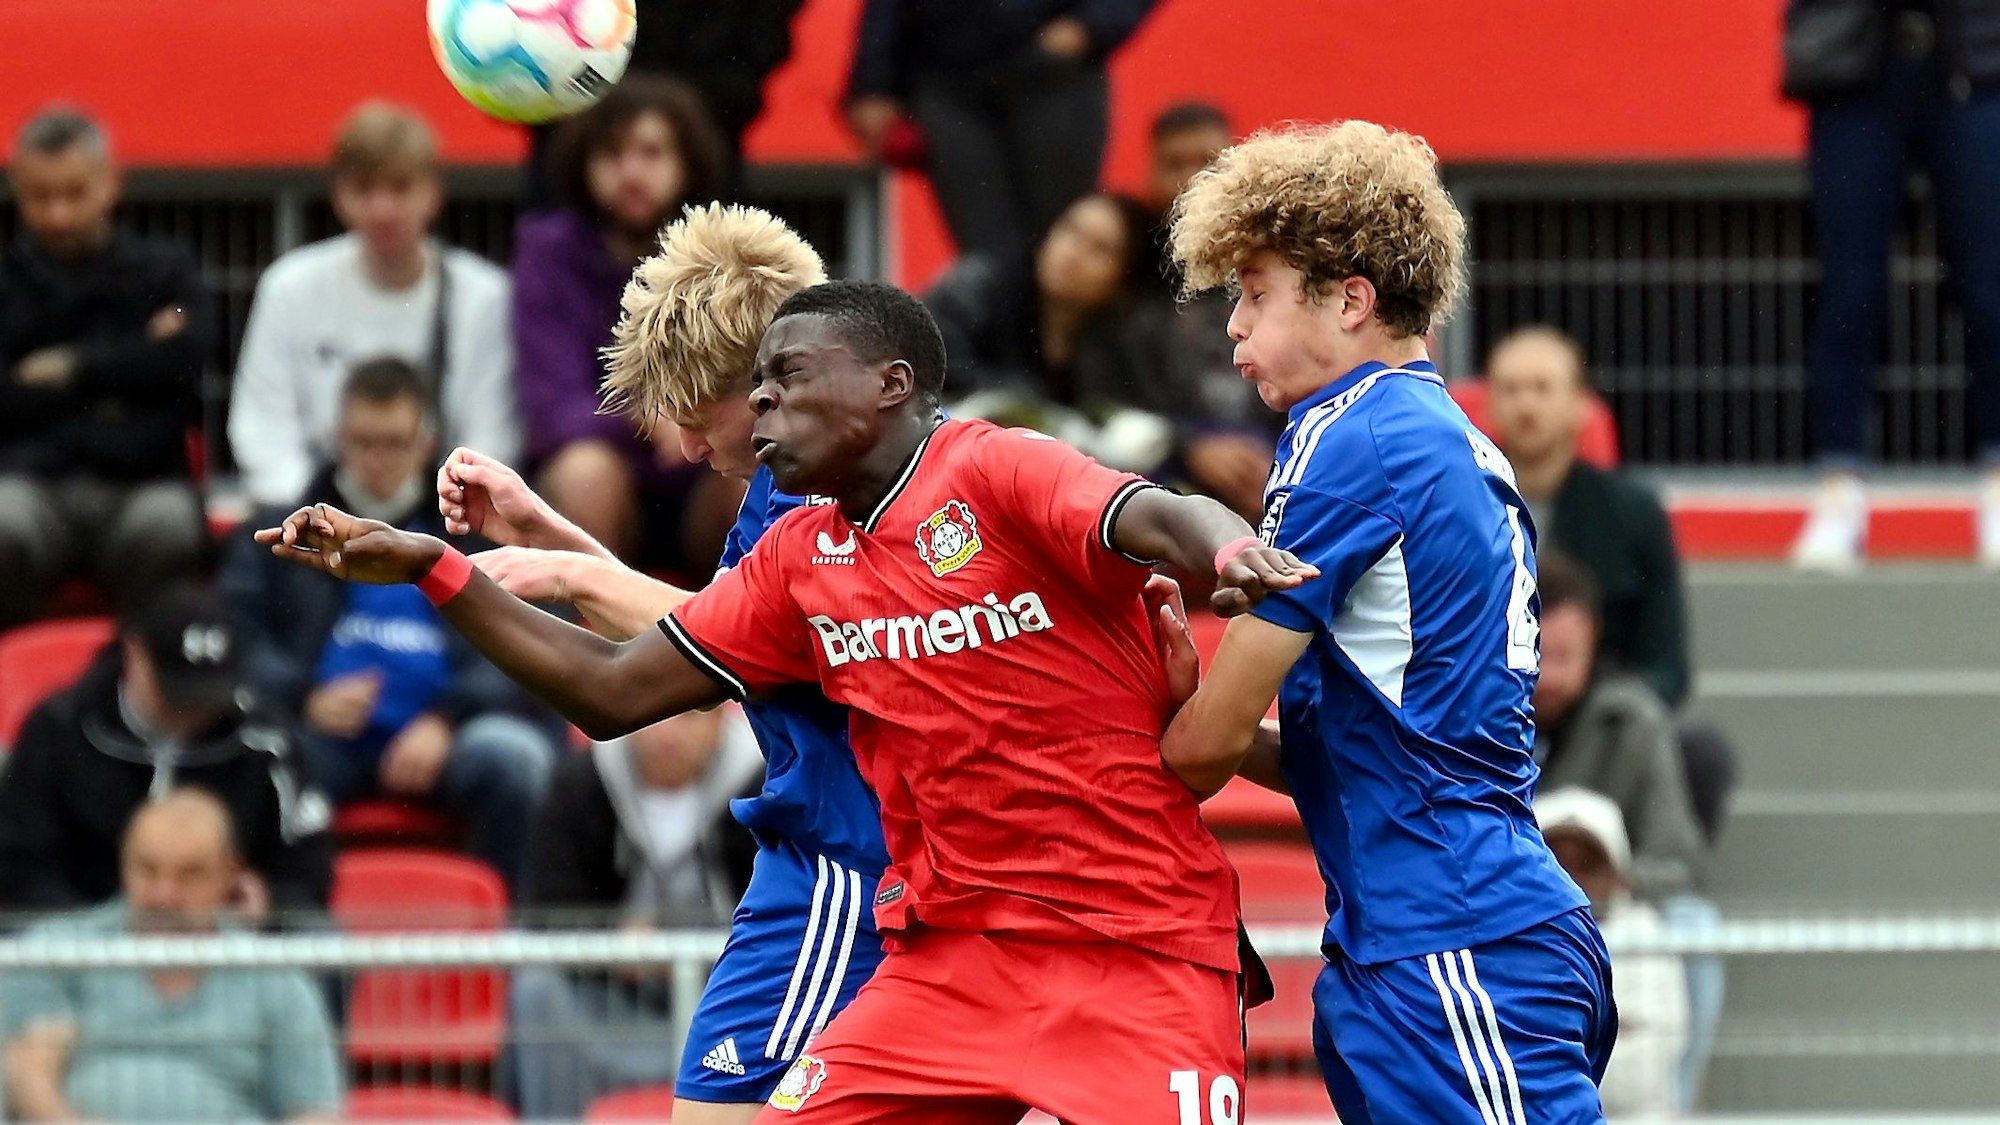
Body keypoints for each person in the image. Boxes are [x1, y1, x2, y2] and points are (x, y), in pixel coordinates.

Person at [261, 278, 1313, 1123]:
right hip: (945, 960)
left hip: (1132, 951)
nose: (759, 402)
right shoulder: (800, 558)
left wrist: (1228, 547)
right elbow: (610, 688)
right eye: (754, 385)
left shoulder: (994, 471)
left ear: (891, 383)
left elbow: (1159, 513)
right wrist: (434, 569)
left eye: (789, 377)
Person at [1157, 121, 1616, 1123]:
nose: (1232, 325)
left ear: (1349, 300)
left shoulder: (1344, 432)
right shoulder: (1442, 433)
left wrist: (1156, 701)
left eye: (1253, 293)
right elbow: (1362, 751)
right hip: (1451, 931)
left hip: (1447, 942)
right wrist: (1205, 720)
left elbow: (1197, 753)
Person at [440, 204, 891, 1125]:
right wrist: (554, 537)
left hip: (844, 866)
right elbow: (717, 626)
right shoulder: (791, 477)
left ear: (766, 379)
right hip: (822, 861)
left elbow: (738, 646)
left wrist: (563, 569)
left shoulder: (823, 487)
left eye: (695, 417)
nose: (686, 449)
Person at [222, 358, 558, 890]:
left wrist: (445, 720)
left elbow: (536, 643)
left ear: (427, 443)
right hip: (319, 736)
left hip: (454, 735)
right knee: (258, 764)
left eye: (395, 442)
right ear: (337, 438)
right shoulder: (276, 538)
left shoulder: (479, 532)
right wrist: (304, 696)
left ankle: (514, 948)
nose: (377, 459)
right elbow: (238, 641)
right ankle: (294, 945)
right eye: (363, 441)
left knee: (514, 760)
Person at [1485, 326, 1738, 846]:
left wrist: (1592, 700)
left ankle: (1659, 891)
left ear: (1581, 405)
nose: (1526, 405)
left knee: (1697, 750)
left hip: (1598, 722)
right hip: (1482, 715)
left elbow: (1666, 667)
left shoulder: (1634, 515)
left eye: (1541, 387)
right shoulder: (1455, 505)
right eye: (1510, 389)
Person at [1781, 0, 2000, 570]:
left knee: (1991, 285)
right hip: (1854, 57)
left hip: (1977, 54)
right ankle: (1839, 486)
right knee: (1848, 288)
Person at [229, 101, 519, 508]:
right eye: (364, 188)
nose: (383, 209)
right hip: (313, 518)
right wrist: (321, 516)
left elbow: (491, 441)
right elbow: (261, 431)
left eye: (400, 187)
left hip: (441, 522)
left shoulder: (486, 298)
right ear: (339, 195)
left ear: (433, 193)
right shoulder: (288, 287)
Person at [1, 789, 344, 1124]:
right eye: (147, 870)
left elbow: (315, 1111)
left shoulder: (275, 975)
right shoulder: (55, 952)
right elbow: (26, 1077)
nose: (164, 895)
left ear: (229, 874)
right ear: (124, 863)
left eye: (189, 874)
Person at [0, 582, 334, 924]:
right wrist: (102, 932)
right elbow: (22, 865)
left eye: (205, 694)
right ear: (134, 653)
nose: (192, 710)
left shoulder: (265, 739)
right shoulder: (59, 729)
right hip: (79, 939)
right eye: (178, 691)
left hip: (228, 939)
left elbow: (308, 863)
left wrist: (271, 900)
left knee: (319, 937)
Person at [514, 77, 738, 575]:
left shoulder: (726, 252)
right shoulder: (547, 251)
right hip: (602, 481)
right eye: (613, 154)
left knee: (756, 481)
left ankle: (741, 643)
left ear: (687, 162)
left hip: (703, 473)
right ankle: (593, 646)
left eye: (652, 152)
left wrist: (693, 420)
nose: (632, 172)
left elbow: (758, 400)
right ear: (584, 163)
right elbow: (552, 412)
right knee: (585, 474)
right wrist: (639, 415)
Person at [0, 106, 210, 626]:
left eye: (73, 193)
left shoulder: (169, 273)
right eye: (40, 197)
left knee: (169, 528)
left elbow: (187, 361)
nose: (58, 215)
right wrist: (134, 363)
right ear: (17, 189)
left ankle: (147, 684)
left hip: (144, 488)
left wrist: (71, 367)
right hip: (29, 489)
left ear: (110, 183)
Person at [511, 708, 763, 1119]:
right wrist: (613, 944)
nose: (668, 734)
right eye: (655, 717)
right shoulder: (581, 781)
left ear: (722, 721)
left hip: (723, 1000)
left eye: (689, 717)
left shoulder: (763, 790)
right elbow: (547, 910)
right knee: (537, 989)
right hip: (608, 1000)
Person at [846, 0, 1161, 260]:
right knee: (986, 256)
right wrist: (872, 82)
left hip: (1055, 74)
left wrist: (1093, 24)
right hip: (949, 80)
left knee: (1064, 240)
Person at [924, 191, 1175, 473]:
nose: (1074, 253)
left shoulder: (1115, 345)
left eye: (1100, 249)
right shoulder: (976, 289)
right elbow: (935, 372)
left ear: (1123, 284)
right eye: (1071, 230)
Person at [1128, 102, 1277, 521]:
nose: (1192, 179)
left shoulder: (1280, 263)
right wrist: (1188, 445)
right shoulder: (1121, 271)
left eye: (1208, 162)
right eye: (1174, 163)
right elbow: (1098, 397)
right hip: (1152, 493)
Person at [1531, 553, 1706, 903]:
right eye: (1535, 657)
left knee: (1694, 918)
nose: (1548, 678)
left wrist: (1607, 886)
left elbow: (1675, 859)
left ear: (1592, 638)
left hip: (1619, 917)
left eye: (1563, 656)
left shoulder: (1634, 722)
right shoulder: (1471, 725)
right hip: (1502, 918)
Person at [1536, 788, 1688, 1121]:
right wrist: (1609, 1034)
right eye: (1556, 863)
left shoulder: (1646, 935)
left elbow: (1643, 1074)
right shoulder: (1508, 944)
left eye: (1587, 865)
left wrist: (1555, 1045)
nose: (1572, 881)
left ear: (1618, 874)